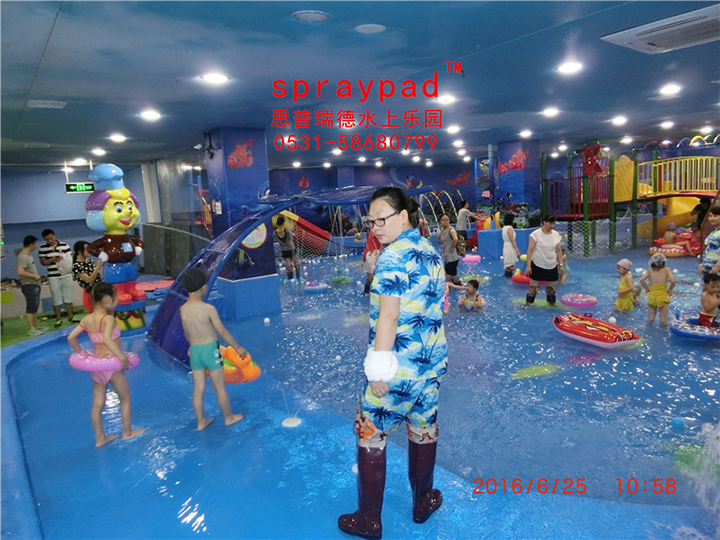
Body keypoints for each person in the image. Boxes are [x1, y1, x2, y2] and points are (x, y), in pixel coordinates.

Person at [339, 187, 447, 538]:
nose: (375, 228)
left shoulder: (392, 256)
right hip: (429, 366)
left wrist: (378, 369)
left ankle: (369, 520)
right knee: (423, 429)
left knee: (370, 431)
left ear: (403, 216)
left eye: (381, 219)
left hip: (396, 369)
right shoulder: (430, 250)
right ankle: (423, 500)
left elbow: (388, 316)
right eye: (371, 222)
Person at [66, 282, 145, 447]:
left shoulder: (87, 319)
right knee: (125, 398)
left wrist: (82, 353)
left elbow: (71, 338)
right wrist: (121, 358)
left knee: (97, 404)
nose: (117, 300)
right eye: (115, 298)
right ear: (107, 299)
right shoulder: (107, 319)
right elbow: (108, 339)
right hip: (112, 366)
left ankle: (100, 438)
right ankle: (127, 433)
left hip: (98, 367)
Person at [179, 267, 246, 431]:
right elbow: (222, 331)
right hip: (210, 351)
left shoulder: (183, 309)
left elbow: (186, 332)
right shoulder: (208, 309)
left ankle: (200, 422)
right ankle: (229, 418)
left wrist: (190, 345)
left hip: (195, 351)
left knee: (198, 389)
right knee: (219, 387)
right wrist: (238, 348)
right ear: (203, 287)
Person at [38, 228, 77, 327]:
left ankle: (71, 316)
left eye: (51, 238)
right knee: (56, 297)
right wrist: (52, 260)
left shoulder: (64, 245)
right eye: (47, 239)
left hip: (66, 274)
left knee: (68, 296)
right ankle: (58, 319)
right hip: (53, 276)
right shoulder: (42, 249)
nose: (50, 241)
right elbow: (43, 262)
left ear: (54, 236)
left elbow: (70, 258)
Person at [524, 215, 563, 304]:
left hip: (551, 265)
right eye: (550, 223)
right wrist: (528, 266)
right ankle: (528, 304)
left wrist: (561, 265)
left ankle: (551, 305)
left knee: (551, 290)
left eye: (554, 224)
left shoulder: (556, 235)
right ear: (544, 222)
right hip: (538, 264)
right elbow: (530, 250)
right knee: (532, 289)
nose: (552, 226)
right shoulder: (535, 234)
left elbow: (558, 251)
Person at [16, 235, 46, 336]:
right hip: (29, 285)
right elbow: (20, 272)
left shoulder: (28, 255)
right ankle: (31, 328)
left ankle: (35, 326)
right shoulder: (23, 256)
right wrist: (34, 276)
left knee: (34, 306)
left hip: (34, 284)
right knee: (31, 307)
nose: (36, 246)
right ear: (31, 244)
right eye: (35, 244)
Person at [640, 253, 676, 325]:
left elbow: (641, 279)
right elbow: (673, 281)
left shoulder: (650, 270)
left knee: (650, 319)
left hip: (652, 296)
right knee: (663, 321)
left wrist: (647, 289)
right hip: (662, 296)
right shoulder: (667, 270)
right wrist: (670, 290)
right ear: (663, 262)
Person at [72, 240, 104, 314]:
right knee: (94, 314)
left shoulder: (89, 261)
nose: (89, 250)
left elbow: (97, 275)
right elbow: (89, 279)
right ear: (80, 251)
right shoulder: (76, 266)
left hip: (98, 291)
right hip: (89, 293)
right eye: (87, 248)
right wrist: (97, 266)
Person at [436, 212, 461, 284]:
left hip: (452, 257)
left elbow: (455, 239)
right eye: (443, 220)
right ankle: (458, 286)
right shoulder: (443, 230)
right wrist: (444, 243)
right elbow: (439, 239)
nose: (445, 221)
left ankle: (452, 287)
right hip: (447, 257)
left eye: (447, 220)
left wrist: (451, 248)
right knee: (453, 275)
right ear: (440, 221)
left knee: (449, 275)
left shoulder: (451, 230)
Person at [273, 216, 300, 280]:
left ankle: (290, 279)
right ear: (283, 223)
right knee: (297, 264)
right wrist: (292, 235)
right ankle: (298, 278)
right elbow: (290, 240)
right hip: (292, 249)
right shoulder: (287, 230)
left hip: (284, 251)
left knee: (288, 267)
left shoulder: (274, 233)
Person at [699, 207, 720, 281]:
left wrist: (717, 267)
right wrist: (702, 264)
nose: (712, 218)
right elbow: (708, 250)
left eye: (715, 216)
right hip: (708, 268)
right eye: (710, 216)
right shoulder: (713, 231)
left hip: (717, 269)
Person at [362, 229, 383, 296]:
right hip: (371, 255)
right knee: (372, 278)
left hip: (369, 254)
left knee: (370, 279)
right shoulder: (377, 231)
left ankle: (365, 293)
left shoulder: (372, 231)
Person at [501, 213, 521, 277]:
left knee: (508, 261)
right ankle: (509, 275)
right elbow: (512, 240)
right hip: (510, 246)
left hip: (506, 245)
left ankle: (507, 274)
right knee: (511, 262)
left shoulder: (504, 227)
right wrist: (517, 250)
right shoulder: (510, 228)